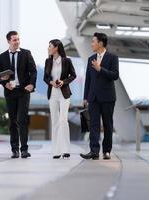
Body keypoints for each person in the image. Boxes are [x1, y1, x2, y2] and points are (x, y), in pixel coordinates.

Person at [0, 31, 37, 159]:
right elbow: (0, 76)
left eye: (18, 39)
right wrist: (5, 84)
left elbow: (34, 71)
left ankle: (24, 149)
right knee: (12, 121)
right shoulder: (2, 56)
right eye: (14, 40)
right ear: (8, 41)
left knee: (22, 120)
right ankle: (14, 150)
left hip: (23, 91)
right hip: (10, 92)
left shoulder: (26, 53)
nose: (17, 42)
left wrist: (32, 84)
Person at [80, 32, 119, 160]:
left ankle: (106, 151)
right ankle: (94, 151)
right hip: (93, 98)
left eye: (93, 41)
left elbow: (115, 75)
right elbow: (88, 80)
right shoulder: (91, 58)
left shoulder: (112, 57)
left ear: (100, 43)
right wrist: (85, 97)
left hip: (108, 97)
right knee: (93, 125)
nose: (91, 44)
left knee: (108, 125)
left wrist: (100, 69)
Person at [43, 39, 76, 159]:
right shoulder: (48, 61)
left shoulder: (67, 61)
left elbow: (73, 75)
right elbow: (45, 78)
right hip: (52, 94)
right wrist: (51, 82)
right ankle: (56, 151)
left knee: (63, 121)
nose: (48, 48)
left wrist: (63, 82)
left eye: (50, 46)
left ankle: (66, 150)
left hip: (64, 95)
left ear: (56, 47)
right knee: (55, 122)